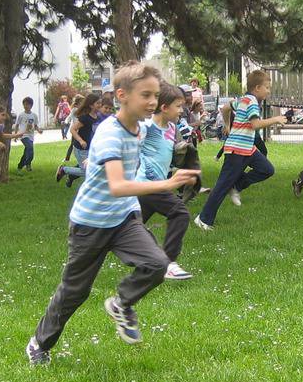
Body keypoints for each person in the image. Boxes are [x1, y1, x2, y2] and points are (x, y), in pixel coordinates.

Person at [25, 64, 199, 364]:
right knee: (75, 291)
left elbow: (161, 118)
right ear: (122, 95)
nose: (152, 102)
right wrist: (168, 183)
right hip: (90, 223)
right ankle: (38, 343)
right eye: (145, 95)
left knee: (157, 263)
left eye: (155, 96)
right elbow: (117, 185)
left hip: (123, 219)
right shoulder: (109, 134)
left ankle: (121, 303)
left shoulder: (142, 127)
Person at [194, 70, 286, 230]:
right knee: (222, 185)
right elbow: (256, 124)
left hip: (248, 148)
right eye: (267, 87)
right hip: (237, 149)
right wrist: (276, 119)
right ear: (257, 88)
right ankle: (203, 219)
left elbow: (225, 108)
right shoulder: (251, 102)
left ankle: (236, 186)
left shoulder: (243, 100)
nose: (268, 91)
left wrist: (228, 125)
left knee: (267, 169)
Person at [137, 82, 194, 280]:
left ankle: (94, 245)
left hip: (158, 184)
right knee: (180, 213)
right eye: (178, 106)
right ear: (164, 107)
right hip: (146, 185)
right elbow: (123, 145)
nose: (182, 110)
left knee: (129, 227)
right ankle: (167, 262)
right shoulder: (146, 128)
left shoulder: (172, 128)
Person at [58, 92, 103, 186]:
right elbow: (72, 129)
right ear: (91, 105)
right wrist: (81, 140)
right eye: (97, 103)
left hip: (91, 149)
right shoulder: (85, 118)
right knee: (88, 172)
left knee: (94, 169)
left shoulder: (98, 117)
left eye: (100, 103)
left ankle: (69, 174)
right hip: (80, 149)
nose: (100, 105)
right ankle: (64, 170)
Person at [14, 96, 43, 172]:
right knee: (30, 149)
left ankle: (20, 166)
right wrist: (15, 135)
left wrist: (39, 130)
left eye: (27, 104)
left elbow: (36, 125)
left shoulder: (34, 115)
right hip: (23, 135)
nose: (25, 106)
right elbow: (17, 125)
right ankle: (28, 164)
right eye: (24, 104)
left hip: (31, 136)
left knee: (26, 152)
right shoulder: (21, 115)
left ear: (31, 105)